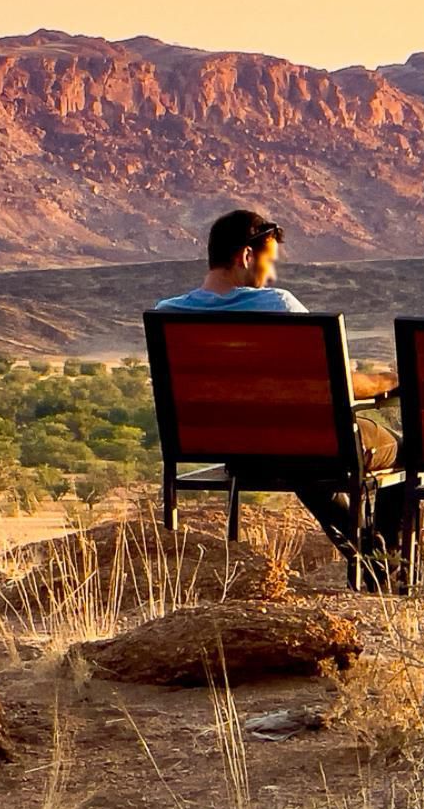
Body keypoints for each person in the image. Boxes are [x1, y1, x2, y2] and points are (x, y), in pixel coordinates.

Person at [156, 210, 405, 582]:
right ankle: (384, 568)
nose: (271, 275)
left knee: (305, 462)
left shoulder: (167, 314)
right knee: (402, 435)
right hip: (303, 449)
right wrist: (389, 380)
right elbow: (340, 383)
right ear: (245, 257)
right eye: (268, 262)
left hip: (238, 454)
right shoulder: (277, 305)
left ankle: (370, 557)